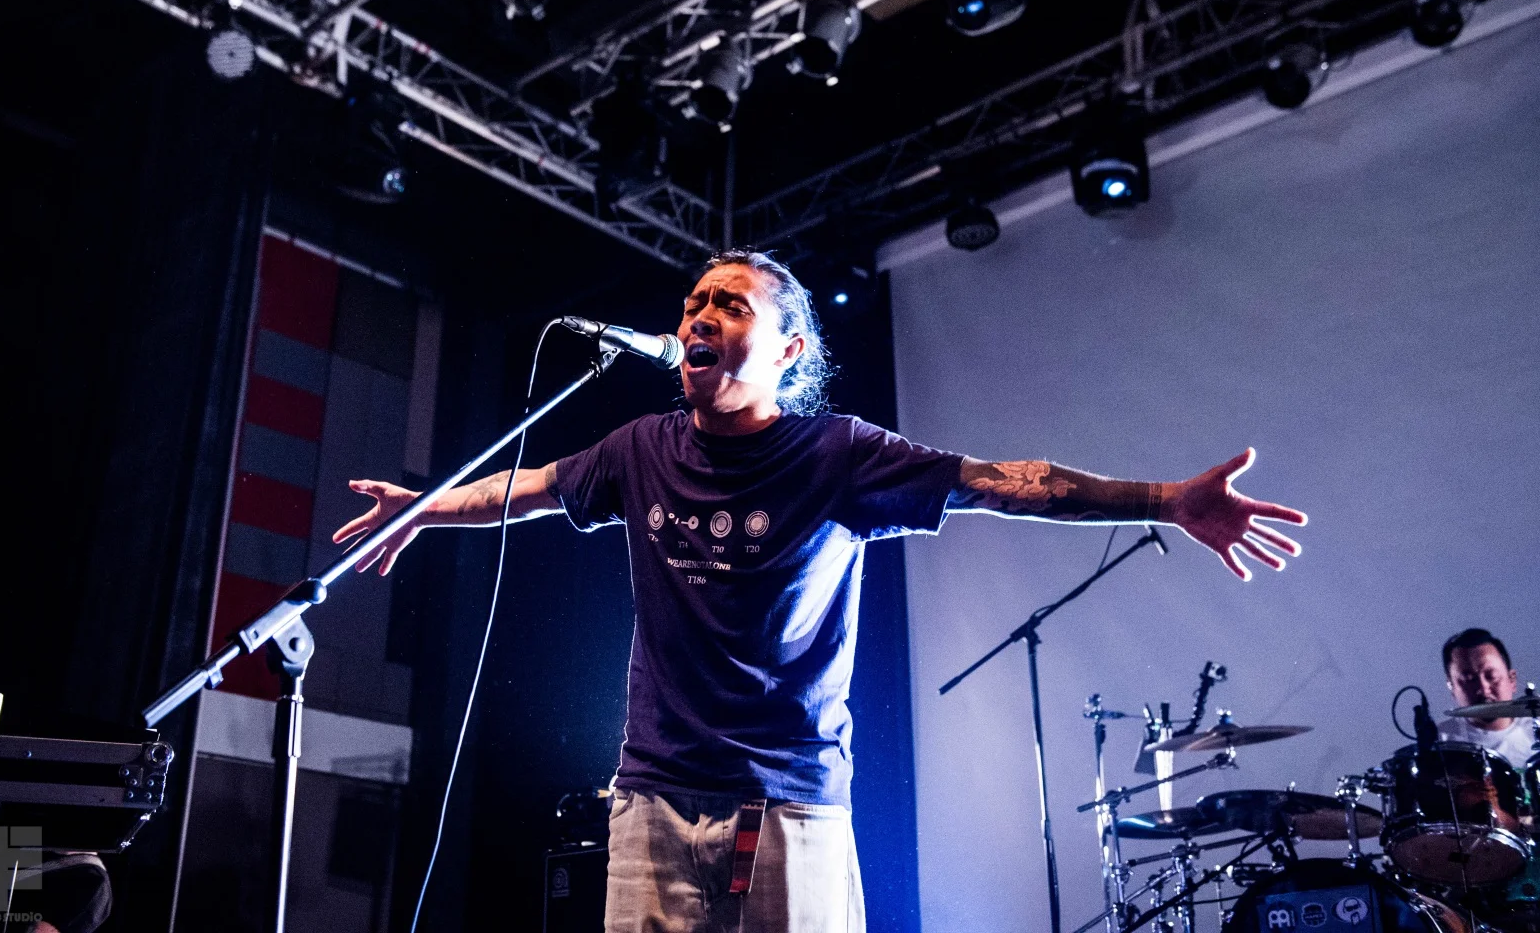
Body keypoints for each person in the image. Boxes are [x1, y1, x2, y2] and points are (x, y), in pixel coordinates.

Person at [333, 249, 1307, 933]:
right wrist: (423, 509)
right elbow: (534, 487)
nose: (699, 315)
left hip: (786, 804)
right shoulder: (639, 448)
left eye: (730, 305)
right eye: (694, 301)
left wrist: (1162, 500)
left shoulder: (836, 454)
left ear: (788, 350)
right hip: (652, 799)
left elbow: (1007, 482)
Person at [1438, 627, 1538, 767]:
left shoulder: (1534, 730)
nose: (1483, 689)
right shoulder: (1439, 743)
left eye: (1491, 676)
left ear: (1512, 680)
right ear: (1452, 688)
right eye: (1469, 679)